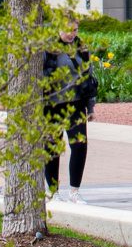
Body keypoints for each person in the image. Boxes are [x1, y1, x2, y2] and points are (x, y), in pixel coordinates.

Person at [40, 18, 97, 204]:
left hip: (76, 104)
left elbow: (89, 79)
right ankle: (53, 192)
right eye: (68, 30)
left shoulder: (81, 48)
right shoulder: (48, 50)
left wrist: (90, 107)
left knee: (79, 147)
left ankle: (74, 191)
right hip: (53, 106)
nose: (72, 33)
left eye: (75, 29)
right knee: (52, 148)